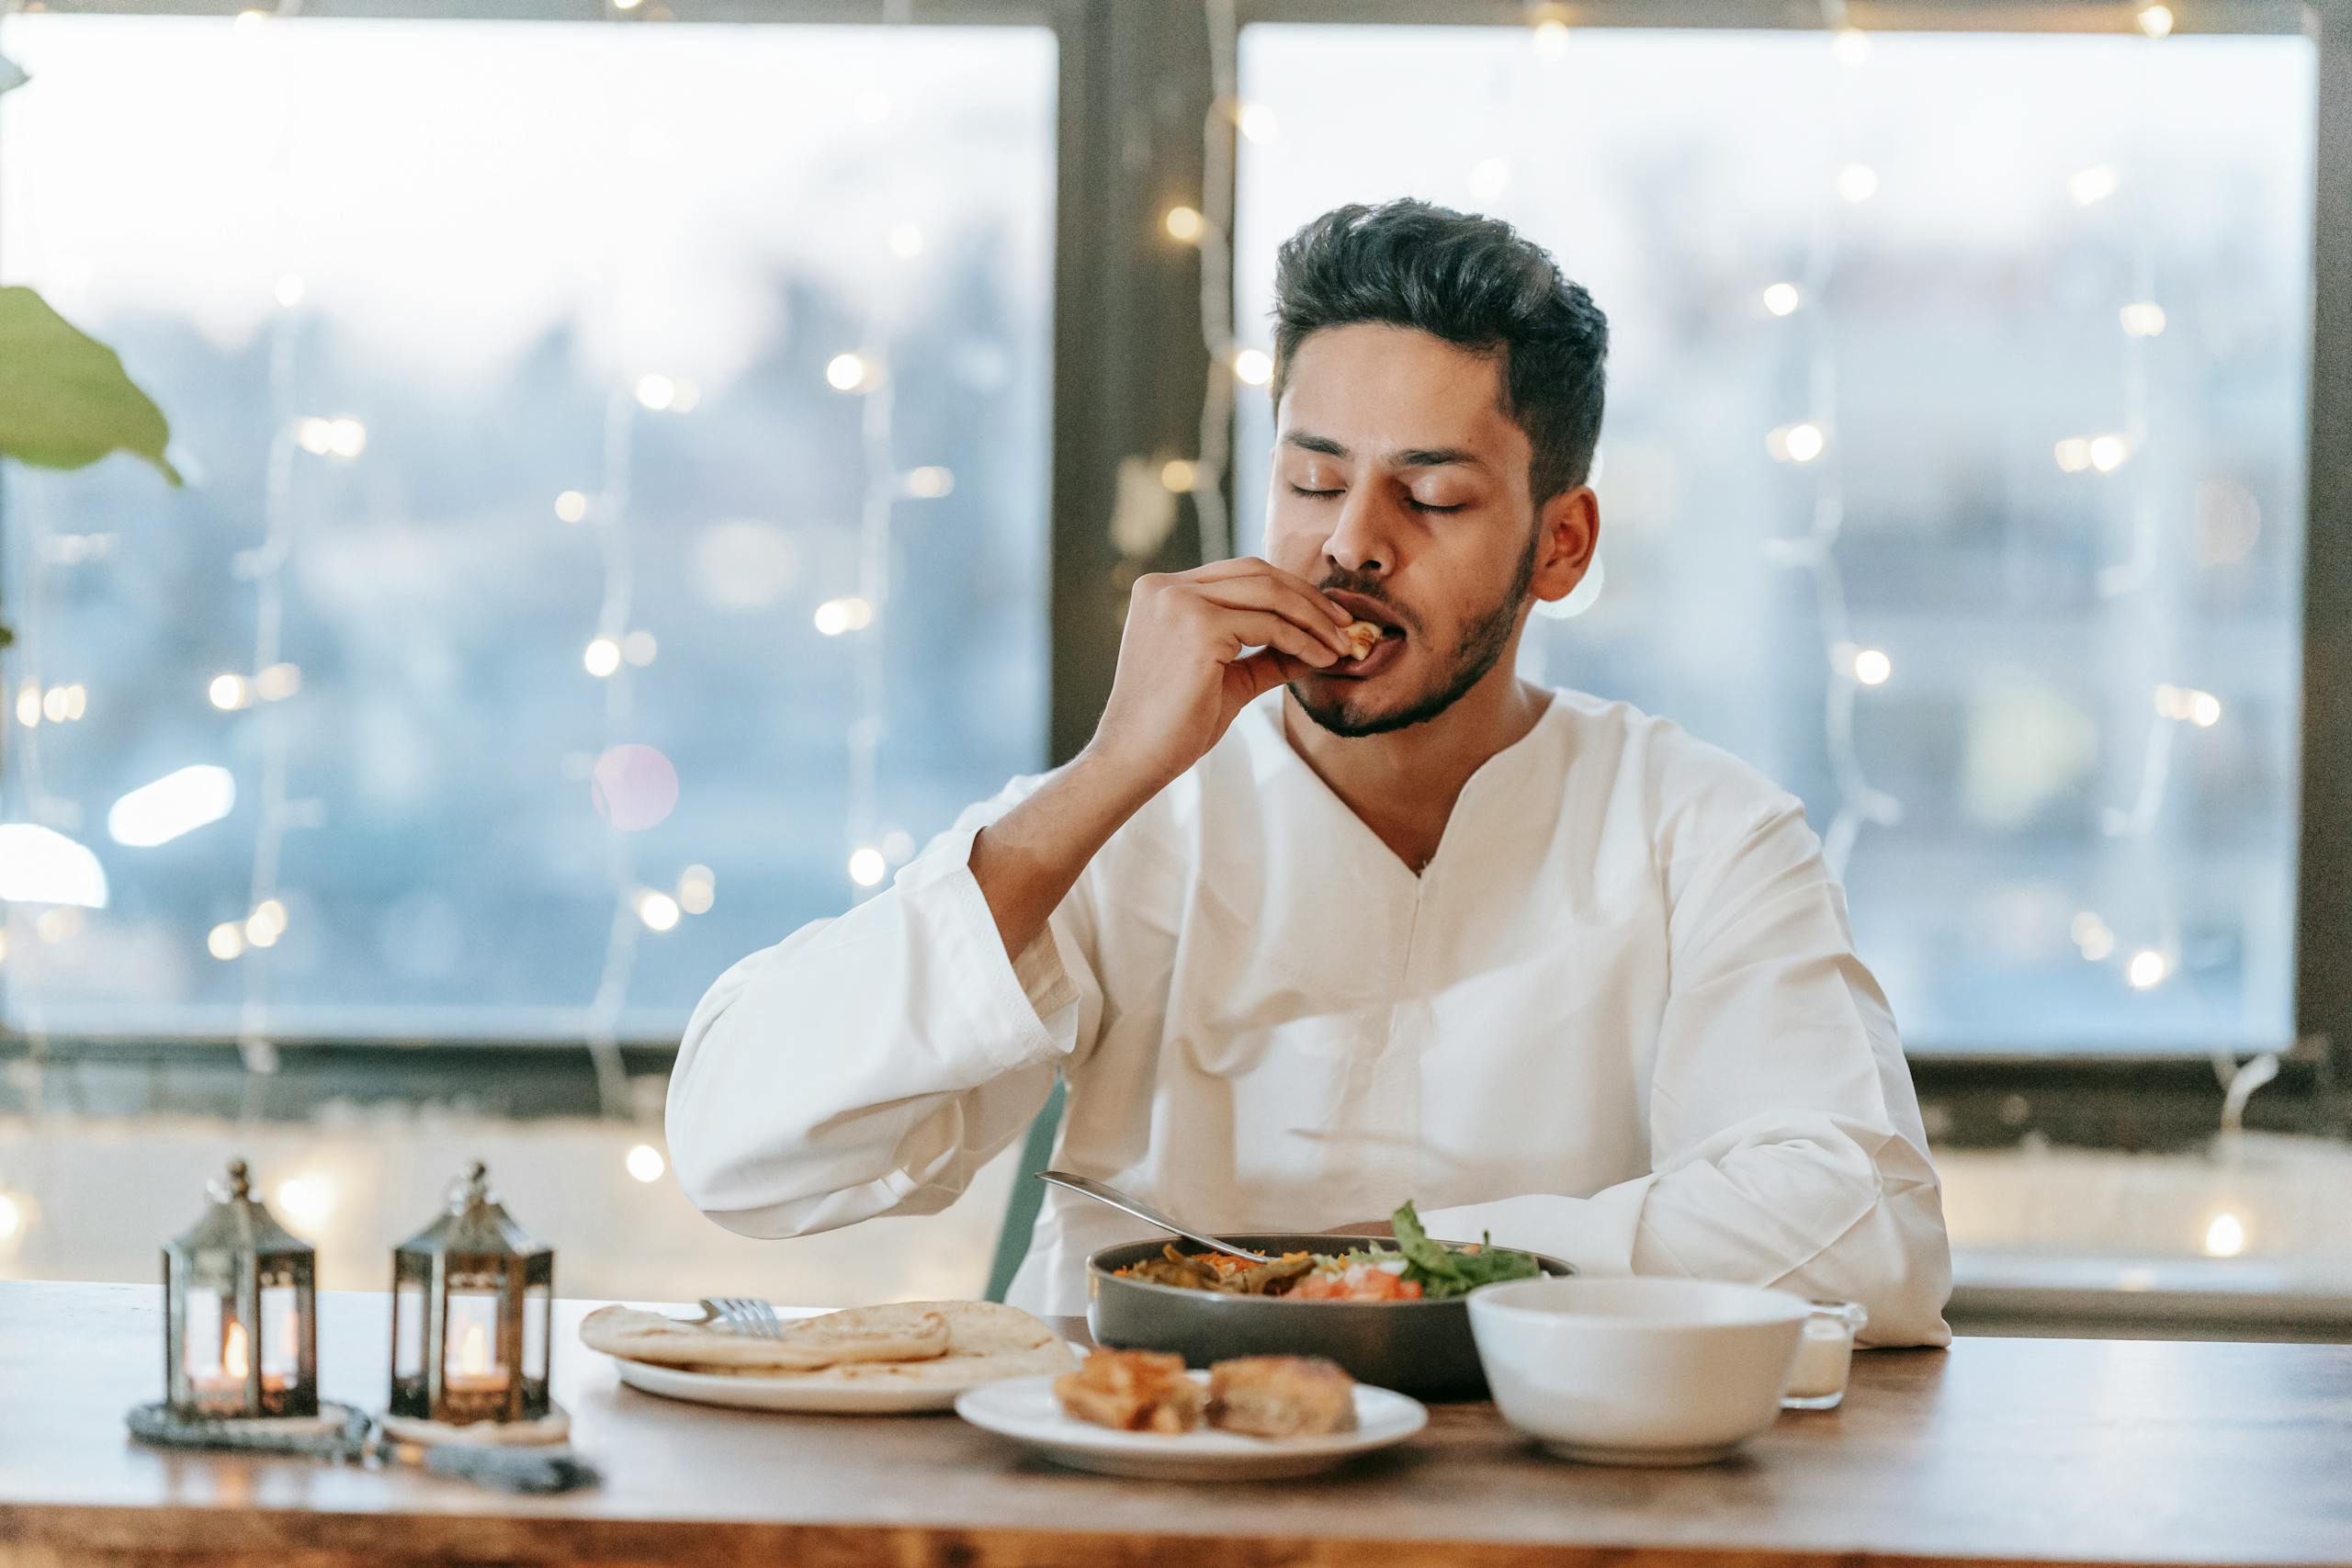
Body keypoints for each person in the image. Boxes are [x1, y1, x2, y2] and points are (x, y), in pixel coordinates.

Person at [668, 198, 1953, 1345]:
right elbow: (740, 1157)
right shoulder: (1135, 810)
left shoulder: (1702, 828)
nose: (1349, 544)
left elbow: (1869, 1235)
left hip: (1539, 1502)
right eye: (1310, 479)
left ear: (1560, 545)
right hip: (1139, 1484)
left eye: (1431, 499)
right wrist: (1108, 772)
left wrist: (1416, 1276)